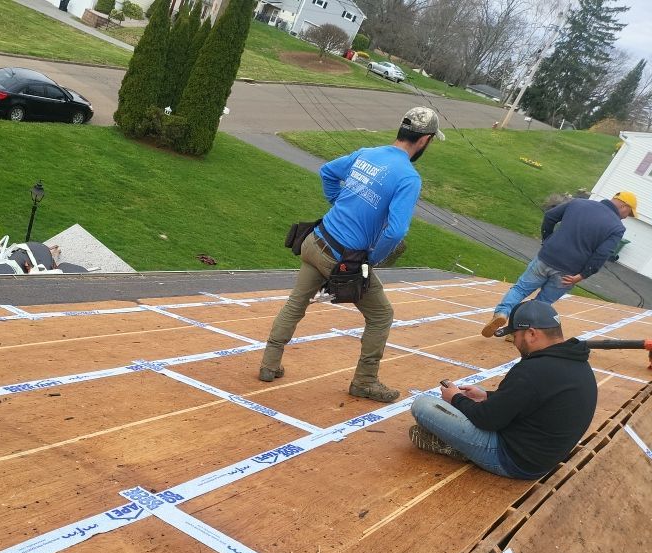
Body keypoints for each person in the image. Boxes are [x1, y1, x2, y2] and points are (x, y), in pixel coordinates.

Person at [259, 107, 443, 402]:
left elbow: (327, 172)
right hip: (341, 260)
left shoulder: (367, 152)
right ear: (426, 140)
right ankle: (365, 381)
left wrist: (338, 201)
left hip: (315, 241)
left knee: (296, 303)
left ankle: (269, 364)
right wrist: (370, 261)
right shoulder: (408, 177)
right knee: (382, 315)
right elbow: (395, 232)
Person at [409, 301, 597, 479]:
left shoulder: (532, 371)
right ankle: (461, 433)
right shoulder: (577, 363)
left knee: (423, 405)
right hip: (540, 456)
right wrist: (486, 396)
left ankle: (460, 448)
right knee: (479, 393)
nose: (515, 343)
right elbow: (533, 398)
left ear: (531, 334)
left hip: (513, 461)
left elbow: (487, 420)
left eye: (515, 336)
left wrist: (455, 398)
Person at [480, 191, 637, 338]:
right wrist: (583, 275)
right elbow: (602, 254)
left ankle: (502, 313)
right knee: (542, 303)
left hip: (547, 257)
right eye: (628, 213)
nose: (626, 217)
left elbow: (549, 216)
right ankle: (517, 332)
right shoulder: (617, 227)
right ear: (624, 206)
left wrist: (547, 239)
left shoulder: (578, 203)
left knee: (520, 289)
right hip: (569, 272)